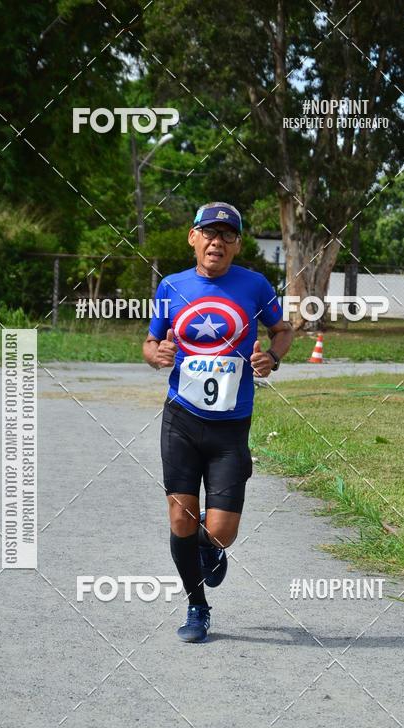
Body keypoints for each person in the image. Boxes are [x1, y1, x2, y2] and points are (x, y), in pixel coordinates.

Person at [142, 202, 293, 643]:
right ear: (193, 238)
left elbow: (283, 329)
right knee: (181, 517)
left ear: (237, 244)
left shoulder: (255, 285)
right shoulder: (172, 286)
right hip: (181, 420)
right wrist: (157, 355)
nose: (217, 242)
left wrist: (273, 357)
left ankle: (209, 546)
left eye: (228, 235)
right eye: (209, 233)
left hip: (230, 426)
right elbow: (150, 343)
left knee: (221, 532)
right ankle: (197, 606)